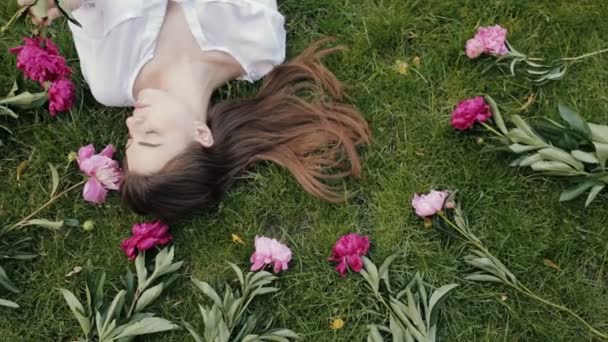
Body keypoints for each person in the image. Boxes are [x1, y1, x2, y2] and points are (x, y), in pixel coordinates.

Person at [19, 0, 371, 221]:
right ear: (201, 134)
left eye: (131, 137)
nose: (133, 120)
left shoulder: (109, 81)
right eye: (152, 135)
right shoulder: (259, 45)